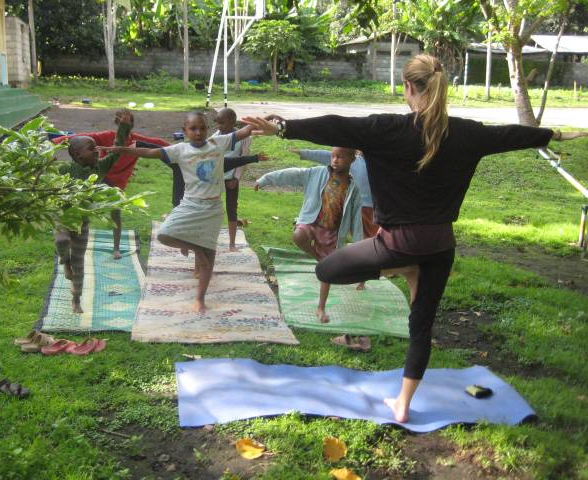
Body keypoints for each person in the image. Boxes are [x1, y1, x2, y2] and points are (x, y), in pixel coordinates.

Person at [242, 53, 588, 423]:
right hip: (441, 246)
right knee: (420, 326)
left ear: (408, 86)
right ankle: (403, 405)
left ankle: (403, 268)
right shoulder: (467, 132)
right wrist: (553, 134)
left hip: (398, 244)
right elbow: (507, 135)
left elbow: (337, 126)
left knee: (326, 270)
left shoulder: (386, 129)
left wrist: (283, 128)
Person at [98, 112, 264, 313]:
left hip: (213, 209)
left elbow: (245, 132)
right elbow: (150, 152)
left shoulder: (218, 143)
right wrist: (122, 149)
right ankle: (195, 247)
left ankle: (200, 299)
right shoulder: (179, 149)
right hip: (190, 204)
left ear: (208, 129)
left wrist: (264, 121)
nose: (198, 132)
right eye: (193, 128)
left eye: (202, 128)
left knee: (209, 258)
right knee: (164, 234)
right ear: (184, 130)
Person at [254, 147, 363, 324]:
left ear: (352, 159)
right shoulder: (317, 173)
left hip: (331, 234)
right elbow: (292, 174)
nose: (335, 160)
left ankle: (321, 307)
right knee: (298, 236)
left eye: (341, 157)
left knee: (327, 273)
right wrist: (265, 179)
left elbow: (356, 220)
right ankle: (318, 258)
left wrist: (359, 247)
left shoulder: (354, 189)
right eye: (333, 156)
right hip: (310, 223)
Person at [53, 109, 171, 259]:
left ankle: (116, 248)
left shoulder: (137, 141)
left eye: (128, 123)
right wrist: (55, 142)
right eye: (123, 123)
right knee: (78, 210)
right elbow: (79, 139)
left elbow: (159, 144)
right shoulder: (106, 137)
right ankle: (68, 242)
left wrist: (181, 150)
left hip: (116, 184)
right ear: (117, 123)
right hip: (100, 178)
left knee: (116, 212)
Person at [55, 111, 134, 313]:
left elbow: (116, 151)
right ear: (78, 155)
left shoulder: (99, 168)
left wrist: (124, 127)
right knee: (61, 241)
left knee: (79, 266)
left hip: (82, 225)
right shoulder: (65, 169)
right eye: (92, 148)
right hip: (64, 219)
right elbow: (45, 175)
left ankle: (76, 299)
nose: (97, 150)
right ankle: (65, 261)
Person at [292, 147, 378, 290]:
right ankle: (328, 262)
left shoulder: (377, 162)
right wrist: (303, 153)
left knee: (365, 244)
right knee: (361, 244)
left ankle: (363, 275)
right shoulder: (352, 159)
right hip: (350, 206)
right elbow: (326, 155)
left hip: (369, 208)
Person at [214, 108, 252, 251]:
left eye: (222, 123)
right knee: (212, 208)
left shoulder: (244, 138)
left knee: (231, 208)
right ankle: (209, 238)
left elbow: (243, 159)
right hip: (215, 179)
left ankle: (232, 244)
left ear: (232, 123)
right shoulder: (215, 137)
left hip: (231, 179)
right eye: (217, 122)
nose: (219, 126)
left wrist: (236, 178)